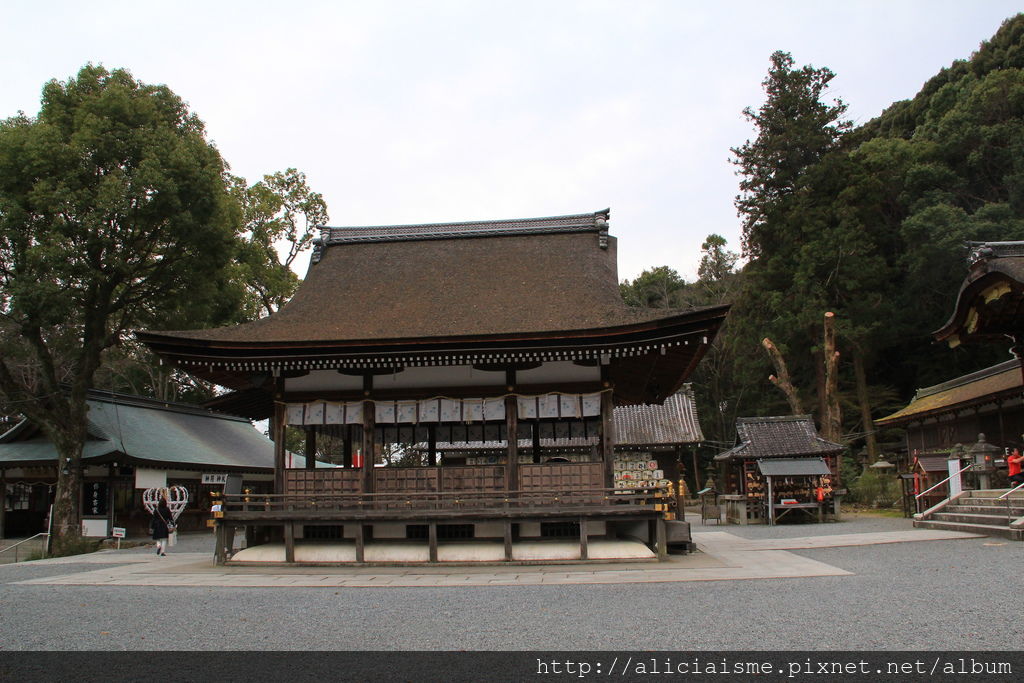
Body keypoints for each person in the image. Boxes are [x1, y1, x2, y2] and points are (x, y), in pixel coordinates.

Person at [151, 490, 174, 556]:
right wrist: (172, 524)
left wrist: (152, 526)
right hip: (164, 525)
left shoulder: (156, 510)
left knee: (158, 538)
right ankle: (162, 552)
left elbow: (154, 518)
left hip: (157, 525)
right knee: (164, 539)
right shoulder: (167, 509)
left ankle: (158, 546)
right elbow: (170, 517)